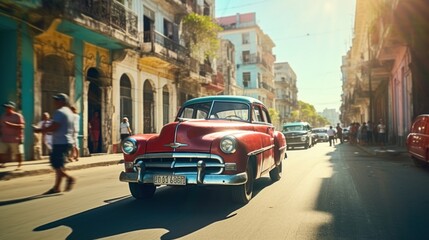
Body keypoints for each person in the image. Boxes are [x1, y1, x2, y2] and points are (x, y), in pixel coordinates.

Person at [34, 93, 75, 194]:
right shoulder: (69, 112)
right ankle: (56, 187)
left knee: (56, 165)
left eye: (57, 100)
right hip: (67, 141)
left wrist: (40, 130)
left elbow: (54, 127)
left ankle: (69, 178)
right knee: (60, 166)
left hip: (59, 142)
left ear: (62, 102)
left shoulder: (59, 112)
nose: (54, 102)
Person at [0, 101, 25, 170]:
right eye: (6, 107)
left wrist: (10, 124)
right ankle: (1, 164)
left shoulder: (18, 116)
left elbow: (22, 126)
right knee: (1, 151)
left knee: (17, 152)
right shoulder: (3, 116)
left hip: (15, 138)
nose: (6, 109)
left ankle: (19, 164)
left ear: (12, 108)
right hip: (4, 137)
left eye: (8, 107)